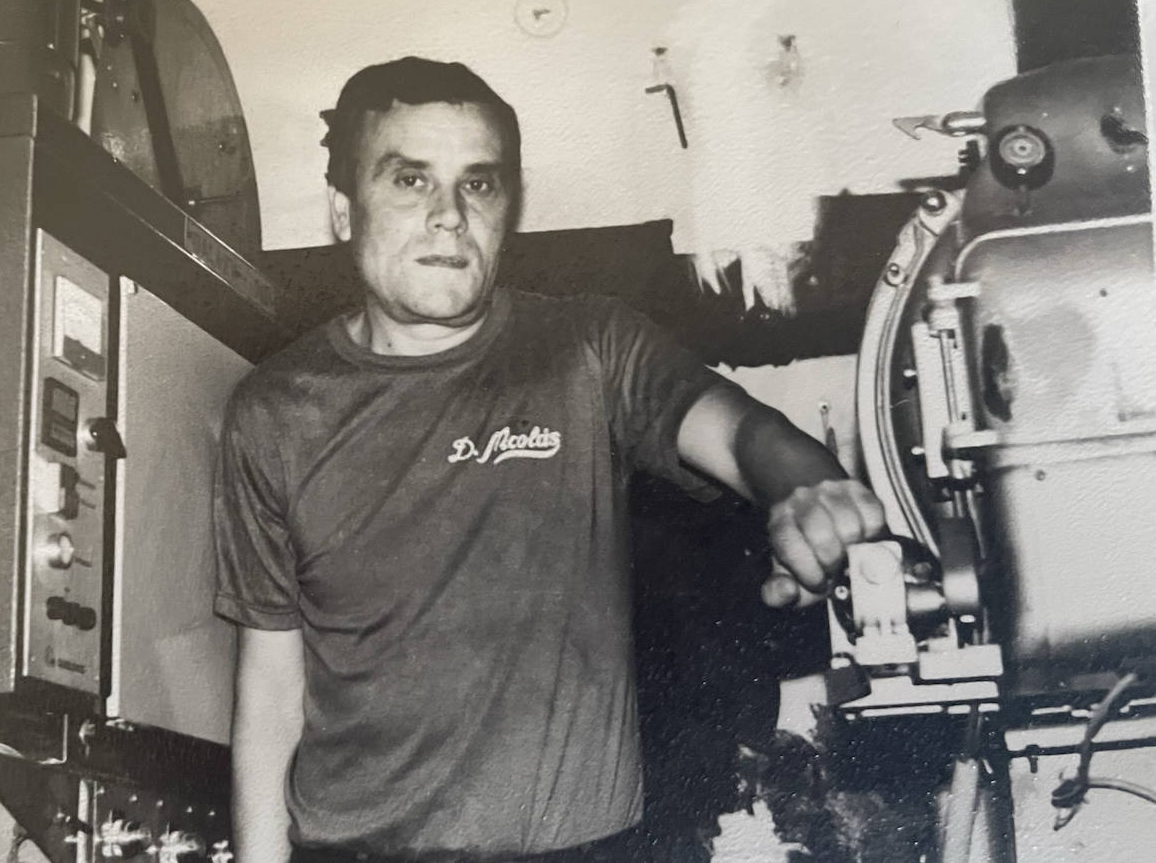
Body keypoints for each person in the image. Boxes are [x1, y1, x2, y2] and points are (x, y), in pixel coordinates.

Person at [212, 56, 885, 863]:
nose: (450, 216)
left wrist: (805, 484)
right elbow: (272, 687)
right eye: (409, 181)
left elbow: (740, 431)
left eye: (480, 184)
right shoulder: (274, 409)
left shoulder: (586, 350)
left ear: (510, 212)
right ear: (342, 211)